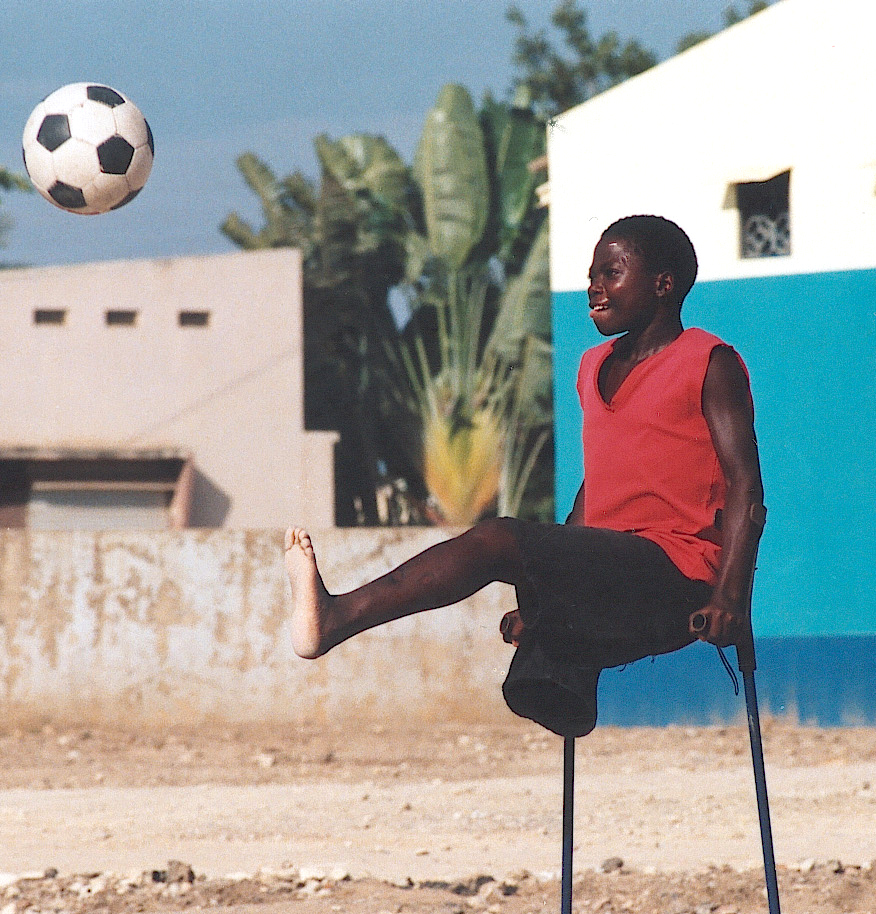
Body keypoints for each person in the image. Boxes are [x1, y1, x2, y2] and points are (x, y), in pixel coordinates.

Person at [285, 214, 766, 736]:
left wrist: (730, 597)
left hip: (678, 574)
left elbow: (746, 488)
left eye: (611, 273)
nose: (594, 287)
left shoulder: (707, 360)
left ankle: (339, 617)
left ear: (663, 285)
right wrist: (540, 601)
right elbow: (597, 489)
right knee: (539, 668)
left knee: (500, 539)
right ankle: (563, 688)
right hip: (614, 572)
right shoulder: (590, 366)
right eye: (590, 275)